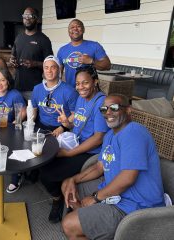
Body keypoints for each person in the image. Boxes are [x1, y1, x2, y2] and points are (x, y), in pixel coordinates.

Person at [61, 93, 165, 240]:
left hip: (136, 206)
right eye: (104, 109)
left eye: (114, 108)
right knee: (69, 188)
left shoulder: (134, 132)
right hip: (116, 196)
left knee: (69, 224)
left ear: (128, 110)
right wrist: (73, 179)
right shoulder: (110, 135)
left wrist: (96, 198)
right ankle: (93, 225)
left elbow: (128, 178)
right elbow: (99, 167)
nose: (108, 112)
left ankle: (87, 224)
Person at [40, 65, 109, 223]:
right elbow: (77, 125)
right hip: (76, 143)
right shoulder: (80, 98)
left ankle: (58, 201)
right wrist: (66, 124)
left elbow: (98, 138)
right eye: (78, 84)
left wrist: (69, 153)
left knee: (47, 174)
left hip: (90, 153)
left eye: (85, 83)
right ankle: (60, 195)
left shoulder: (101, 103)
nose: (80, 87)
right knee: (43, 160)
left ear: (95, 81)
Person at [10, 7, 53, 100]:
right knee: (18, 114)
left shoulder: (44, 40)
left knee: (32, 115)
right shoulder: (18, 38)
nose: (27, 18)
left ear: (37, 19)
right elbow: (13, 56)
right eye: (25, 16)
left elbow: (51, 65)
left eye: (30, 16)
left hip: (34, 89)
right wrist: (12, 61)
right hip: (17, 87)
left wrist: (35, 63)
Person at [31, 55, 78, 136]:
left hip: (61, 128)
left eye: (53, 67)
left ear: (59, 69)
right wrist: (29, 124)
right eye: (46, 67)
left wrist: (62, 127)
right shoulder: (37, 89)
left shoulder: (69, 91)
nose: (49, 71)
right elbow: (34, 110)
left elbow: (75, 114)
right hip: (41, 126)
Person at [57, 19, 111, 87]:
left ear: (83, 30)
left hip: (89, 92)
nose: (75, 29)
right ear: (68, 31)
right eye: (72, 27)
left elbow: (108, 65)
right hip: (70, 92)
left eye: (78, 26)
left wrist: (91, 61)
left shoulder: (94, 46)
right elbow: (58, 73)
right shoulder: (62, 50)